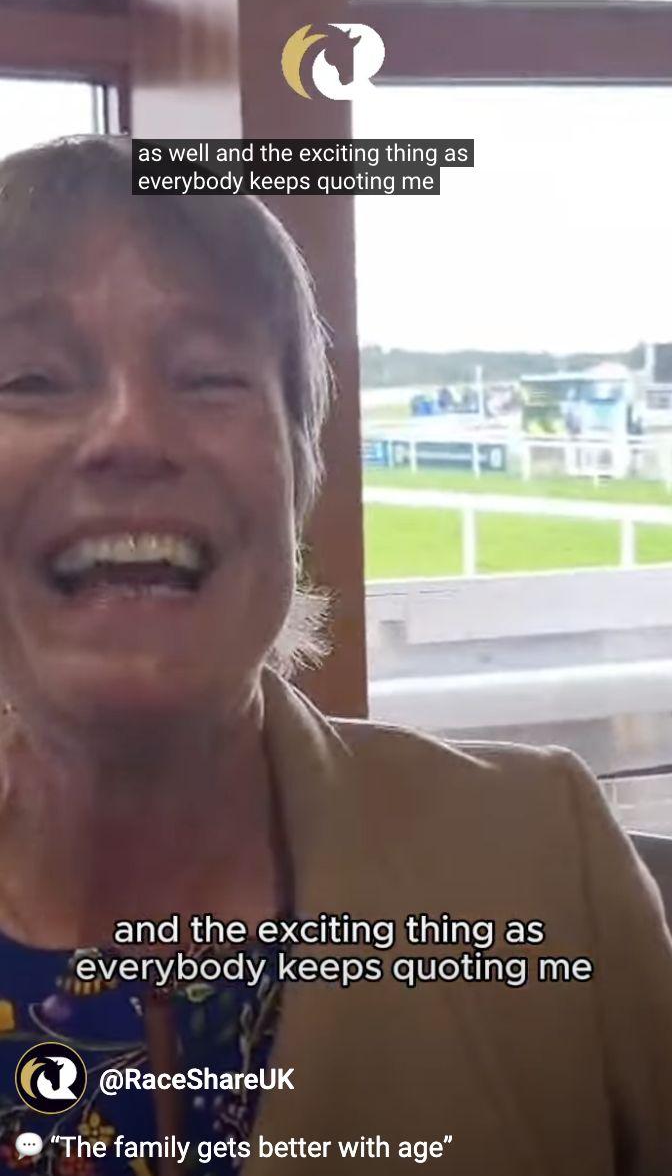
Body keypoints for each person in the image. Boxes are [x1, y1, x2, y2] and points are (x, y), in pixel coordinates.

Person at [0, 136, 670, 1176]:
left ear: (300, 472)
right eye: (32, 378)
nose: (131, 434)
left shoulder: (543, 863)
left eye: (209, 376)